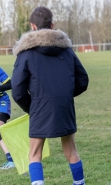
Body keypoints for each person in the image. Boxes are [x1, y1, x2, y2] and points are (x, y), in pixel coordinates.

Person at [11, 6, 89, 185]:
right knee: (71, 150)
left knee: (34, 154)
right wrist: (65, 95)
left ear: (32, 26)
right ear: (52, 25)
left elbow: (17, 89)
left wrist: (32, 107)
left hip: (39, 106)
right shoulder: (67, 50)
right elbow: (82, 80)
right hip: (64, 107)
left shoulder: (26, 53)